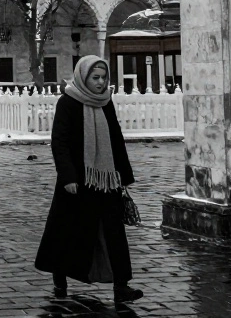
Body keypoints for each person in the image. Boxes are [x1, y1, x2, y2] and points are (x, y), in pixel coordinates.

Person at [34, 55, 142, 304]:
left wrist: (123, 176)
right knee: (67, 231)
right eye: (96, 77)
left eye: (104, 78)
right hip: (78, 182)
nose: (101, 82)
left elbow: (116, 138)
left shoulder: (106, 102)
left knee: (114, 232)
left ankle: (121, 286)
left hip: (106, 180)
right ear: (83, 76)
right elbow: (59, 142)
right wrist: (68, 176)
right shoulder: (68, 102)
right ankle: (59, 276)